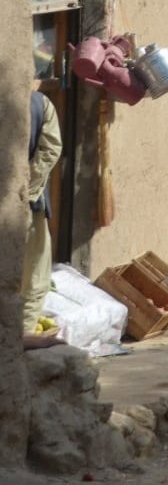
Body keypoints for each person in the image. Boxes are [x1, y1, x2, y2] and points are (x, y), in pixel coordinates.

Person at [22, 89, 61, 335]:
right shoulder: (39, 103)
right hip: (27, 206)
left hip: (27, 202)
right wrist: (25, 191)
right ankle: (19, 340)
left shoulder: (40, 104)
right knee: (33, 277)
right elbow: (50, 150)